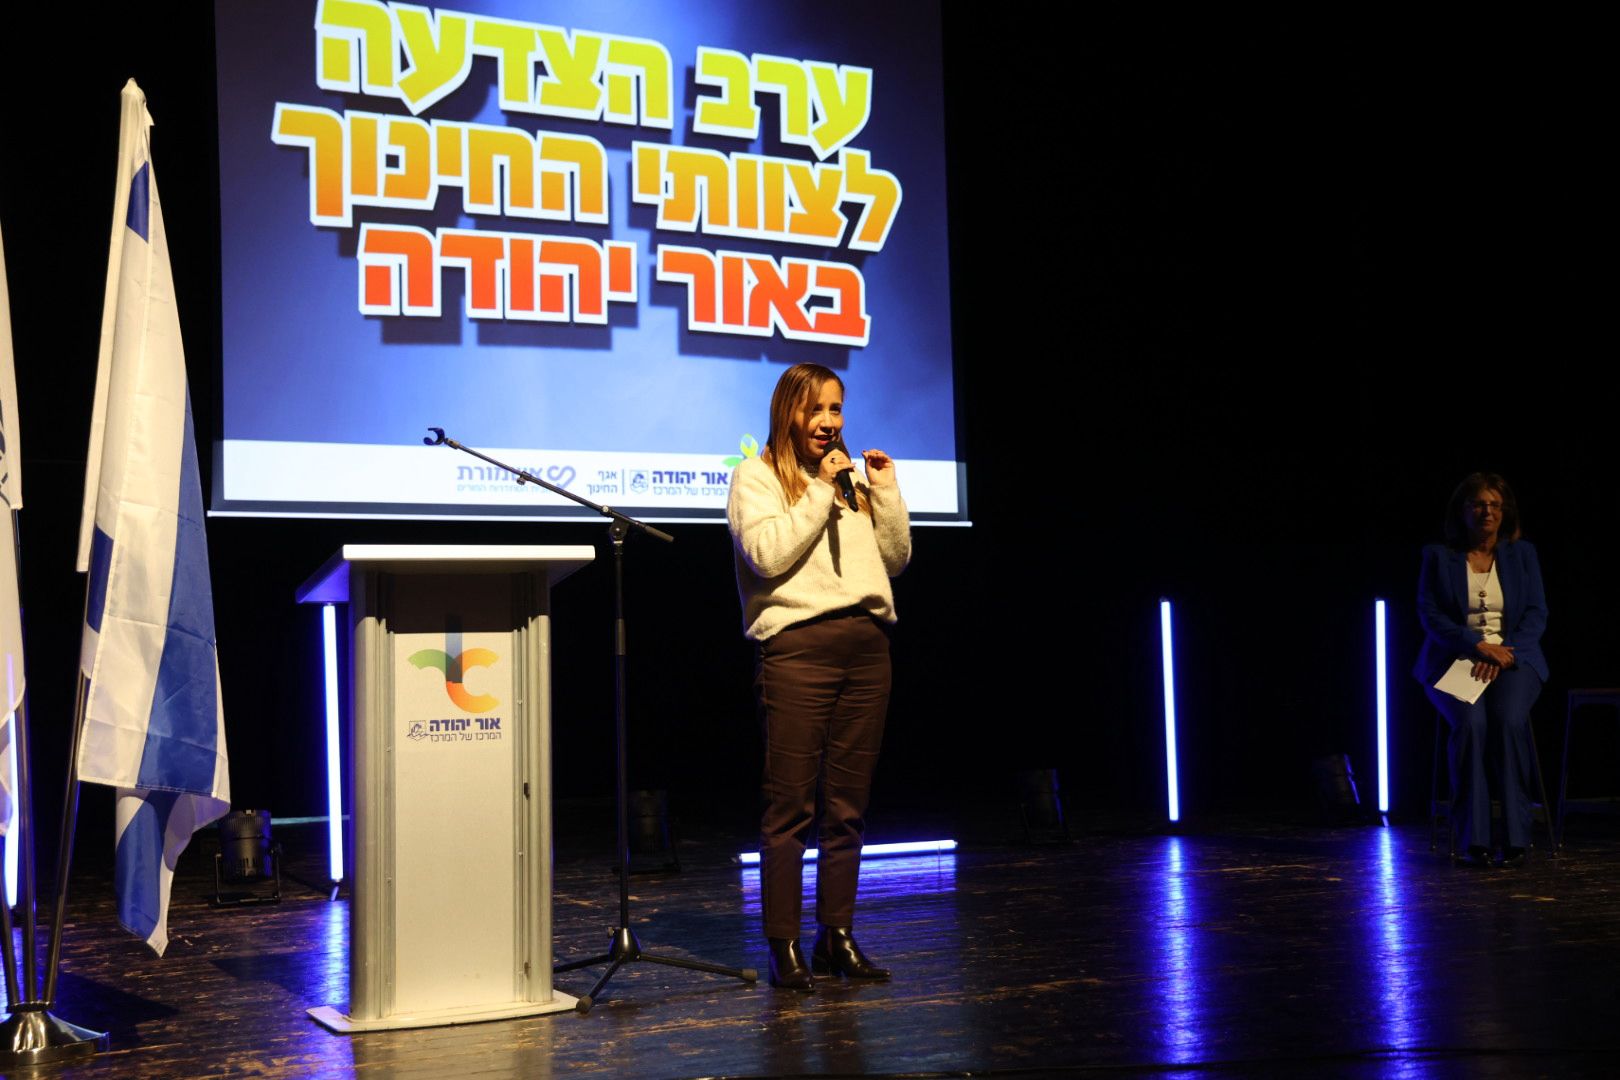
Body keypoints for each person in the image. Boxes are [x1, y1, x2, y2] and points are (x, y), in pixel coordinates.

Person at [726, 363, 911, 990]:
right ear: (790, 412)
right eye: (816, 409)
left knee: (848, 807)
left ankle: (837, 936)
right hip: (797, 649)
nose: (829, 422)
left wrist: (885, 492)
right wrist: (818, 492)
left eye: (836, 409)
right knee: (790, 807)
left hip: (867, 646)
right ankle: (783, 945)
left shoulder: (851, 478)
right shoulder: (755, 477)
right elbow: (768, 555)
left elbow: (895, 560)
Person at [1414, 472, 1548, 866]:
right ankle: (1474, 840)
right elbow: (1430, 614)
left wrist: (1504, 653)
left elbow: (1537, 612)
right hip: (1455, 658)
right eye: (1478, 504)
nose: (1486, 511)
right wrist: (1476, 645)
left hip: (1514, 659)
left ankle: (1517, 838)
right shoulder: (1438, 556)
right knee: (1472, 725)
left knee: (1507, 722)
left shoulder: (1523, 554)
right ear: (1463, 510)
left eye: (1494, 505)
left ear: (1504, 512)